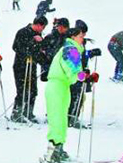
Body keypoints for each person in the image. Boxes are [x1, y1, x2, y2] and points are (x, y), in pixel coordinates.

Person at [40, 26, 98, 163]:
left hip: (62, 86)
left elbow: (75, 72)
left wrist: (85, 76)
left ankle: (58, 149)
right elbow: (73, 71)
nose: (82, 39)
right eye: (80, 36)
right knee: (57, 119)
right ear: (73, 37)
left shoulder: (72, 49)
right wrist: (86, 77)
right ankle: (53, 152)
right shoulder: (70, 50)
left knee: (61, 119)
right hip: (57, 86)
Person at [11, 16, 47, 123]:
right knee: (22, 90)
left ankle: (28, 112)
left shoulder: (38, 34)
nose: (42, 29)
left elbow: (37, 51)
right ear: (38, 25)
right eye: (42, 27)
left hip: (32, 65)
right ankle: (17, 113)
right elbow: (16, 47)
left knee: (33, 90)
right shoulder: (23, 32)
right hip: (21, 65)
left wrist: (44, 59)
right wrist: (32, 41)